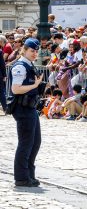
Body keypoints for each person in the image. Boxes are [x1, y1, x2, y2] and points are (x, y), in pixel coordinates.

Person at [9, 38, 44, 187]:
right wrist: (35, 85)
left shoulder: (29, 65)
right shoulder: (20, 66)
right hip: (22, 108)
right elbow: (15, 89)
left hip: (30, 107)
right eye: (32, 51)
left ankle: (29, 174)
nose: (35, 53)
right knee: (26, 143)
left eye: (36, 51)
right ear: (24, 50)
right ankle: (22, 177)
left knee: (35, 142)